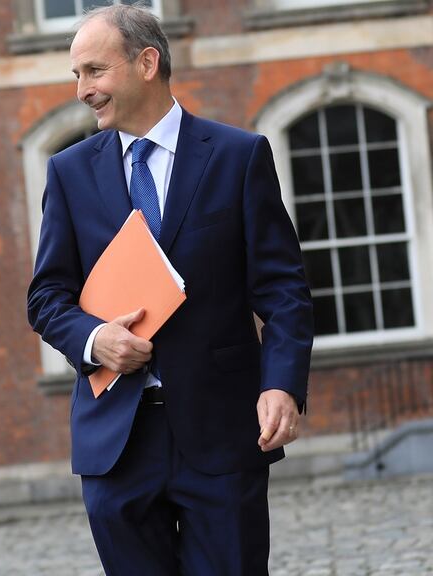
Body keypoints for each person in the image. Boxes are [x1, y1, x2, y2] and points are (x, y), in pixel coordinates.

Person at [27, 6, 313, 574]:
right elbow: (46, 298)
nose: (82, 90)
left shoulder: (238, 156)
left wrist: (282, 385)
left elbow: (283, 290)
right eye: (76, 75)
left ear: (147, 62)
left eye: (94, 71)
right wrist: (94, 340)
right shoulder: (68, 172)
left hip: (223, 434)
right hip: (117, 445)